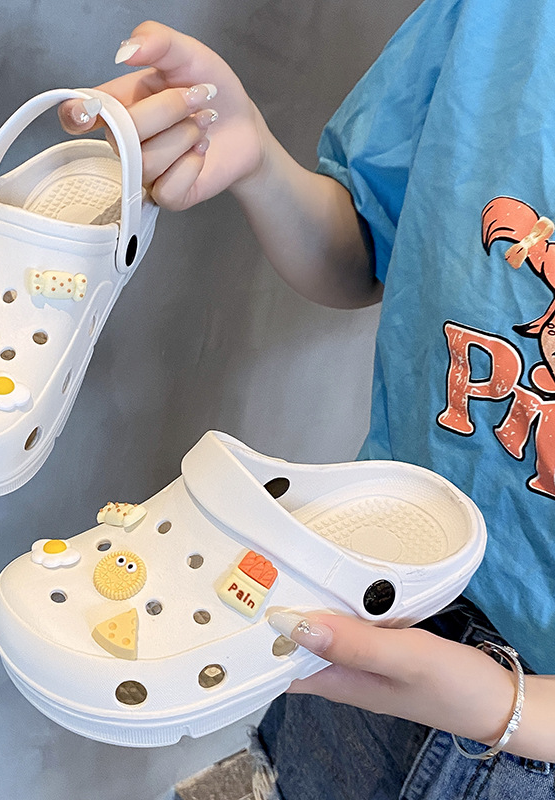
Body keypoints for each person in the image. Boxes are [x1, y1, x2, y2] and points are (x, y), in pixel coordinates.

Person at [59, 3, 555, 798]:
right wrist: (254, 155)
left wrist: (510, 709)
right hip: (367, 580)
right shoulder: (500, 17)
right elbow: (367, 248)